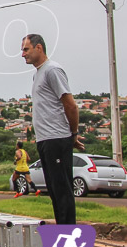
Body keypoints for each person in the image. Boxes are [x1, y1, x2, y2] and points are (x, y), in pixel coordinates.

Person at [21, 33, 83, 225]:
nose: (23, 54)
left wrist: (72, 134)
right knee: (54, 191)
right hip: (45, 139)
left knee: (63, 191)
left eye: (26, 49)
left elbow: (70, 105)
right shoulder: (38, 73)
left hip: (57, 138)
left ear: (39, 48)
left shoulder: (52, 70)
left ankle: (70, 244)